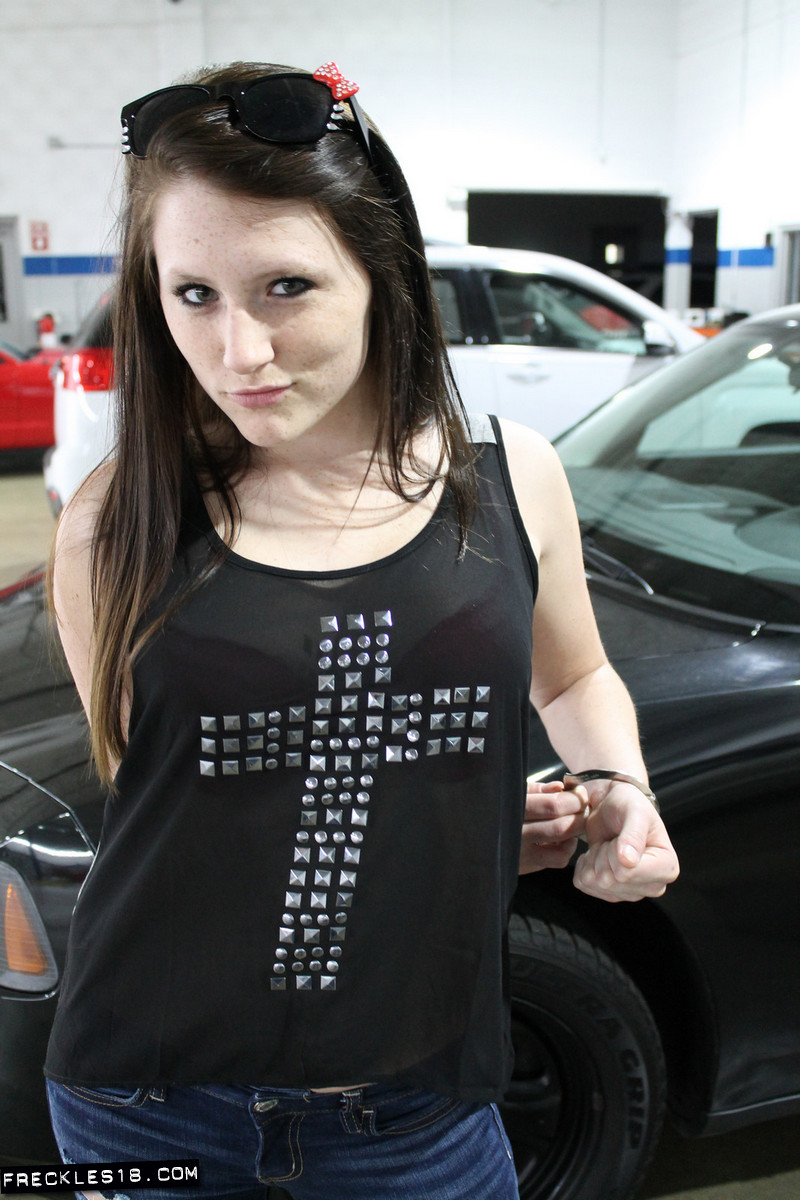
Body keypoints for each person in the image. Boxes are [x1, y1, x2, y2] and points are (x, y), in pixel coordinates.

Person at [46, 60, 679, 1200]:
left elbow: (574, 676)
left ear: (382, 272)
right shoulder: (116, 522)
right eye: (193, 295)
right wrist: (418, 811)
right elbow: (171, 803)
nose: (239, 351)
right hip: (145, 1099)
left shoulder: (510, 481)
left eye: (286, 287)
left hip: (418, 1107)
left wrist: (615, 784)